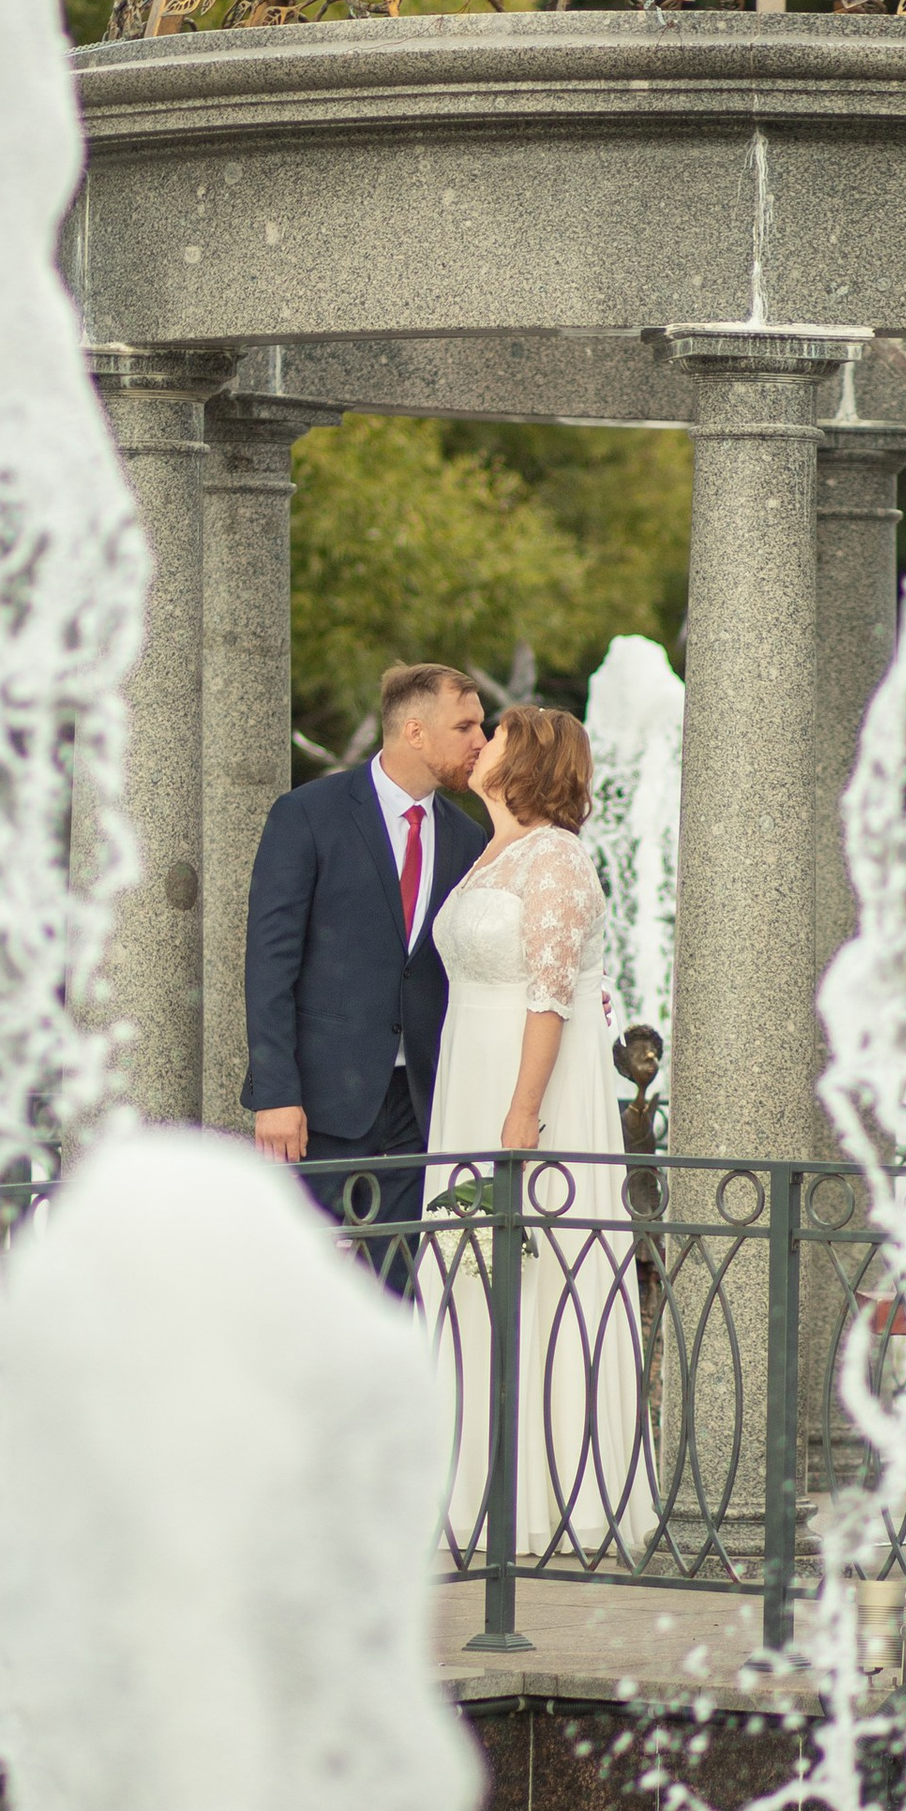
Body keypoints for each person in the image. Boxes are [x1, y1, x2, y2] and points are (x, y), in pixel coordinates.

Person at [431, 704, 653, 1562]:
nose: (481, 743)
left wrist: (523, 1109)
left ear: (532, 760)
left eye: (499, 735)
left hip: (530, 1081)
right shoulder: (492, 854)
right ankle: (474, 1491)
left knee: (541, 1270)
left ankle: (557, 1496)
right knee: (473, 1270)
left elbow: (551, 995)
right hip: (468, 1065)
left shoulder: (556, 859)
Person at [243, 662, 489, 1264]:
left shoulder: (468, 838)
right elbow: (269, 962)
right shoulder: (306, 815)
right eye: (465, 727)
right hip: (320, 1103)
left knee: (402, 1283)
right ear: (414, 732)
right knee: (306, 1281)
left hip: (423, 1101)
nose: (481, 741)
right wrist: (277, 1093)